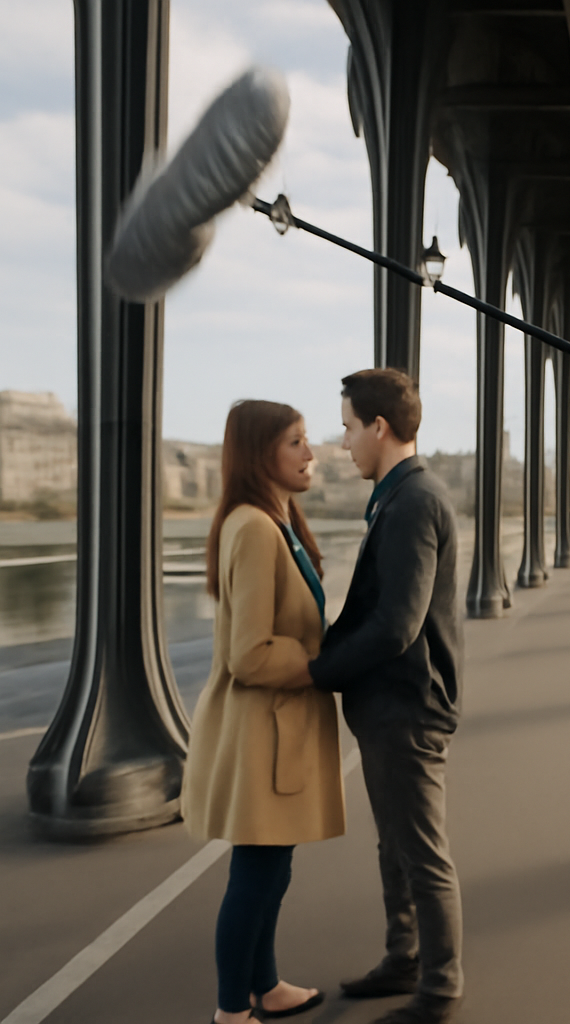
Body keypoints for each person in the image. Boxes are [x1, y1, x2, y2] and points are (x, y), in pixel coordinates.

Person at [302, 368, 464, 1024]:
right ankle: (405, 958)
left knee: (421, 851)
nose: (342, 445)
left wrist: (318, 671)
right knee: (396, 844)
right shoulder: (401, 497)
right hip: (393, 706)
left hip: (407, 707)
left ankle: (440, 988)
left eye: (347, 428)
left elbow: (399, 623)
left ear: (379, 426)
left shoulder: (414, 502)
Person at [184, 401, 344, 1024]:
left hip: (276, 730)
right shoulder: (253, 527)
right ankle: (231, 1012)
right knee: (256, 874)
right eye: (296, 442)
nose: (312, 453)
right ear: (261, 455)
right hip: (262, 732)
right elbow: (248, 652)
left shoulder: (274, 520)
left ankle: (265, 985)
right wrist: (321, 664)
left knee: (270, 868)